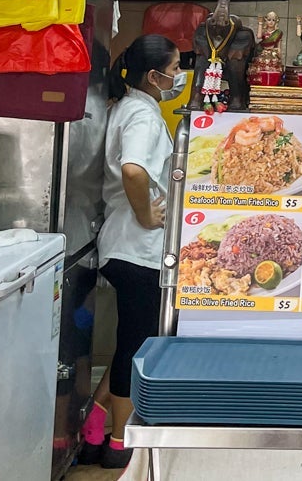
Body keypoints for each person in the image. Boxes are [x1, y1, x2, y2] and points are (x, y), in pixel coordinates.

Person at [81, 34, 183, 469]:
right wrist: (144, 215)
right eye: (176, 68)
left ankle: (93, 427)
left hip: (123, 247)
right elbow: (134, 170)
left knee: (130, 341)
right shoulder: (141, 115)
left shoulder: (131, 107)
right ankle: (120, 443)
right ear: (153, 75)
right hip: (136, 250)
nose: (179, 76)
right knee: (135, 348)